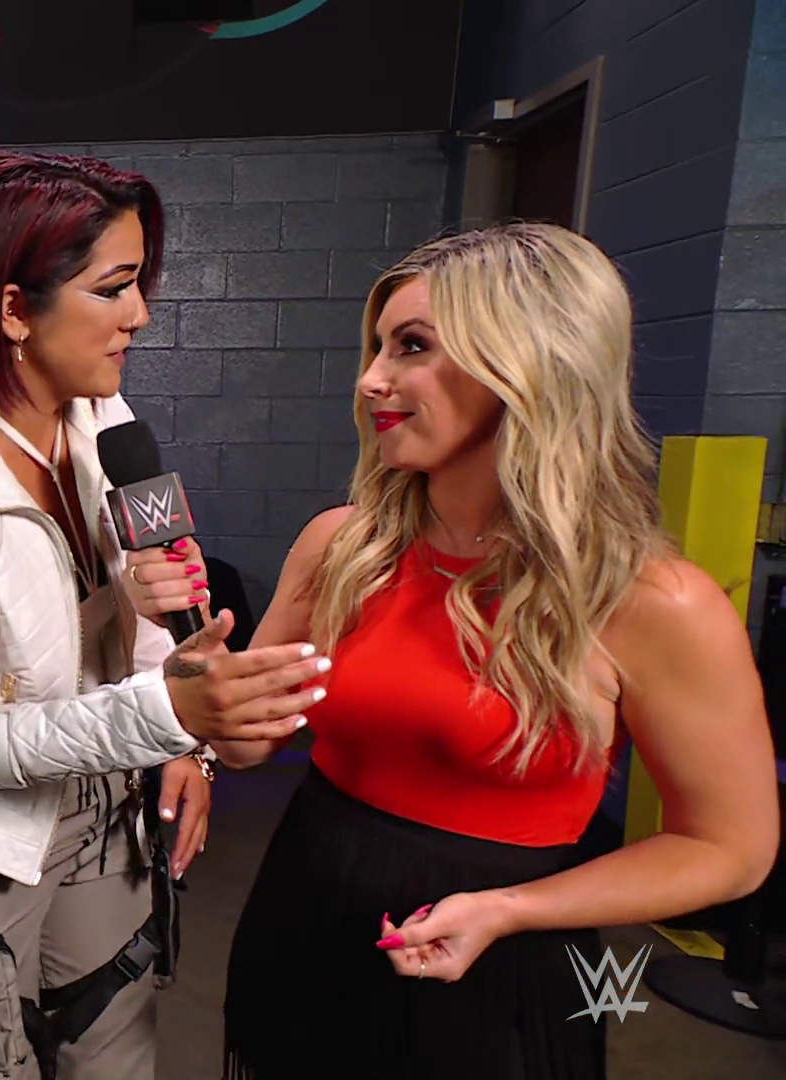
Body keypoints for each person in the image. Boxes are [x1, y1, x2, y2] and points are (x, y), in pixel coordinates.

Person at [218, 222, 781, 1080]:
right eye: (378, 347)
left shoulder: (653, 603)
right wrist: (205, 698)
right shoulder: (342, 545)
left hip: (500, 954)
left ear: (530, 365)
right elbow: (246, 744)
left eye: (412, 346)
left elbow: (729, 849)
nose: (370, 380)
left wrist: (512, 910)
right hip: (306, 910)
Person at [0, 150, 331, 1080]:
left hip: (108, 808)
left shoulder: (110, 423)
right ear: (13, 309)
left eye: (139, 283)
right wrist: (172, 715)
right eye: (113, 288)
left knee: (115, 1059)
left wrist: (182, 746)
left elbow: (158, 612)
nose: (140, 314)